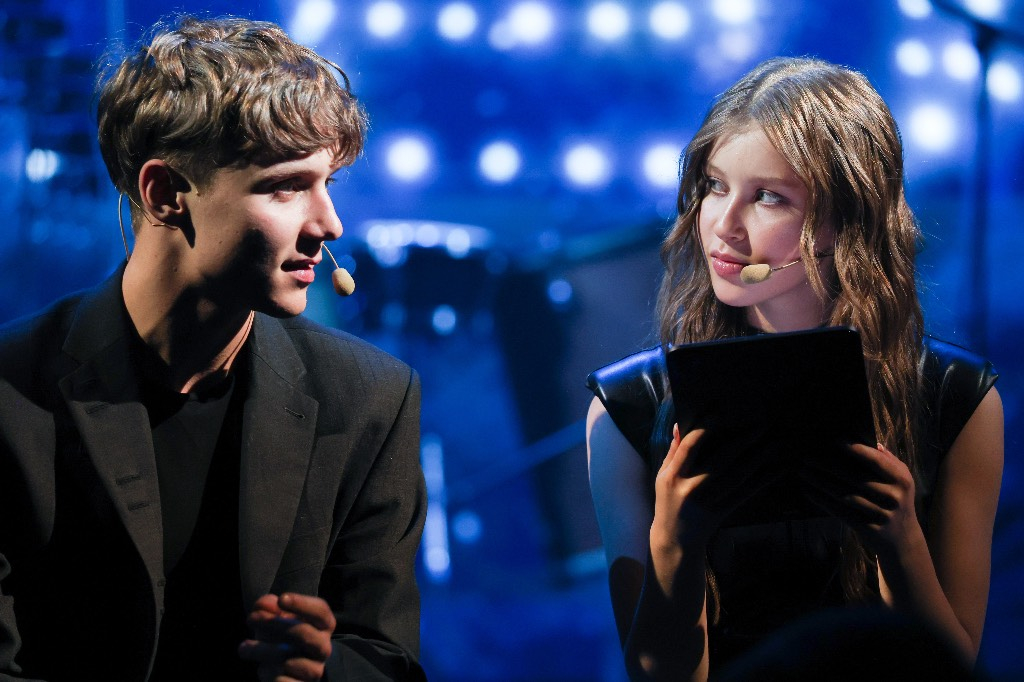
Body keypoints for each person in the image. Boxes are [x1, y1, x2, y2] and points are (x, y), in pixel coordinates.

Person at [0, 16, 426, 681]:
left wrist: (325, 670)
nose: (329, 224)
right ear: (166, 193)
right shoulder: (12, 394)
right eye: (286, 186)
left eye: (328, 184)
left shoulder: (370, 399)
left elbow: (387, 660)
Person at [585, 57, 1003, 681]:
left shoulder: (956, 397)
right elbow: (658, 675)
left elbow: (952, 667)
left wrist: (901, 544)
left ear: (846, 218)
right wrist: (676, 545)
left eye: (768, 197)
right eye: (714, 186)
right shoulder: (627, 407)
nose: (723, 225)